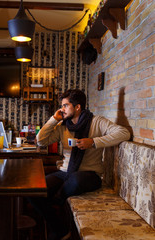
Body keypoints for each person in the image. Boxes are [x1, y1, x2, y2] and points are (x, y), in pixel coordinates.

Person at [31, 89, 130, 240]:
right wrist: (53, 119)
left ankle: (57, 201)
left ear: (77, 107)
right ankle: (61, 229)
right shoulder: (64, 125)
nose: (62, 109)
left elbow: (124, 133)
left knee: (77, 180)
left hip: (90, 174)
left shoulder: (96, 121)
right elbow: (41, 140)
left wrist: (94, 142)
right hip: (64, 172)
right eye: (61, 106)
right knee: (33, 191)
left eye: (65, 106)